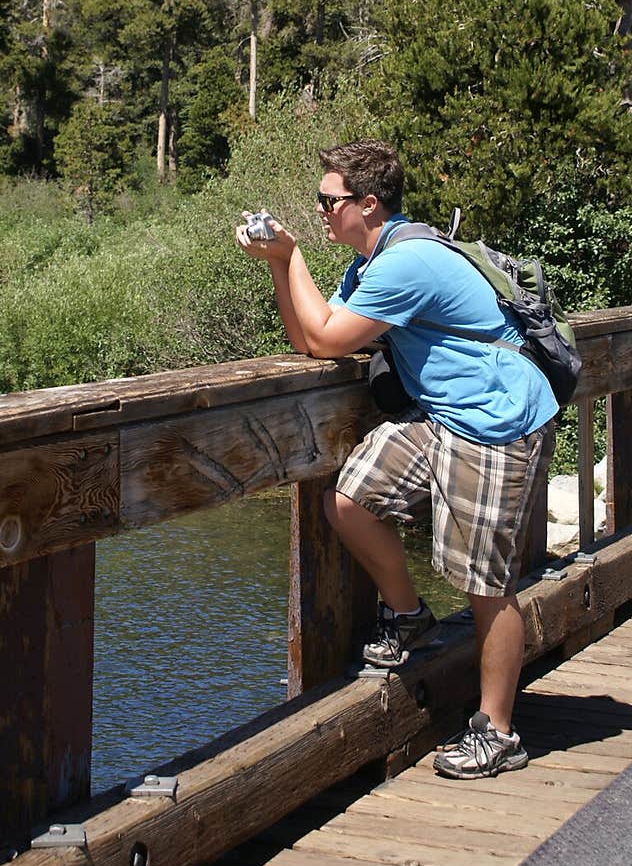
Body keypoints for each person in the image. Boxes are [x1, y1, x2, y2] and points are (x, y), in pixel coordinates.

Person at [235, 138, 557, 779]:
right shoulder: (371, 261)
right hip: (444, 418)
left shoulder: (403, 264)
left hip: (495, 421)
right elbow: (312, 341)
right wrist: (280, 264)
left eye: (330, 200)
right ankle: (409, 617)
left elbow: (324, 333)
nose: (322, 210)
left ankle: (498, 731)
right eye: (320, 202)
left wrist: (292, 252)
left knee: (485, 583)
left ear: (369, 203)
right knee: (351, 498)